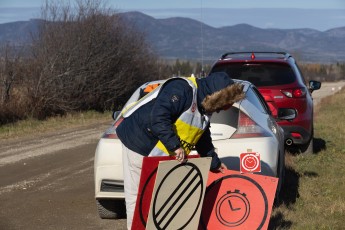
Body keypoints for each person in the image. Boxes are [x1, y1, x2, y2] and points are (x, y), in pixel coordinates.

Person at [116, 72, 245, 229]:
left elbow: (202, 138)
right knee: (138, 196)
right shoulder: (182, 89)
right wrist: (175, 146)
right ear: (218, 97)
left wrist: (215, 163)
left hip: (159, 151)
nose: (224, 109)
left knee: (160, 198)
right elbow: (158, 118)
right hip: (138, 141)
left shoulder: (204, 107)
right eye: (226, 105)